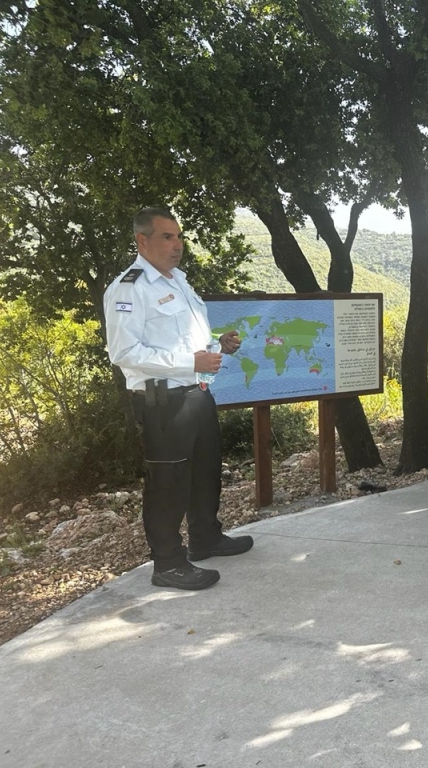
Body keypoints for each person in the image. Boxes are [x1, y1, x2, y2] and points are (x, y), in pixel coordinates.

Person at [104, 207, 253, 591]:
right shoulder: (129, 288)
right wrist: (190, 362)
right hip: (163, 403)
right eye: (167, 237)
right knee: (167, 484)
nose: (177, 245)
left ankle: (205, 538)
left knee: (205, 471)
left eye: (179, 236)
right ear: (142, 241)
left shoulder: (179, 281)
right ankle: (168, 564)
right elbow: (124, 352)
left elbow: (184, 338)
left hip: (196, 393)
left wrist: (217, 345)